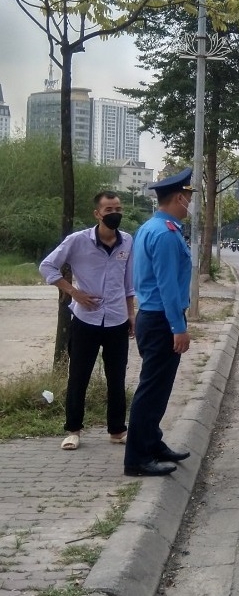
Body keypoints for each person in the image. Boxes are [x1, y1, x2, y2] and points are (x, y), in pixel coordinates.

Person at [39, 191, 135, 451]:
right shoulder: (77, 241)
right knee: (78, 377)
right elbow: (47, 266)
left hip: (116, 320)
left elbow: (128, 283)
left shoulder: (127, 241)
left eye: (118, 208)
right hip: (85, 322)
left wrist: (131, 314)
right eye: (108, 209)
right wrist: (73, 292)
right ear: (97, 214)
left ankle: (117, 430)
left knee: (117, 378)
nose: (114, 213)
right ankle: (73, 430)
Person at [123, 168, 196, 477]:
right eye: (189, 199)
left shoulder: (151, 227)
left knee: (159, 387)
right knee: (152, 389)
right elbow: (167, 284)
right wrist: (178, 327)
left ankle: (153, 443)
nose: (190, 204)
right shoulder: (165, 234)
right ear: (179, 197)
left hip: (152, 317)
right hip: (160, 319)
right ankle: (137, 458)